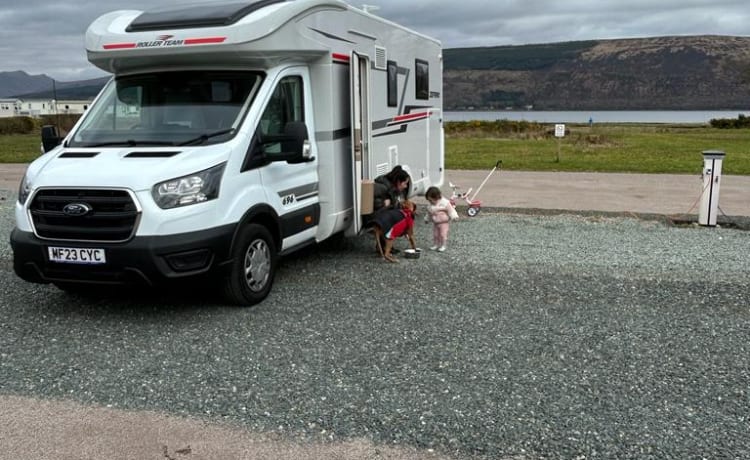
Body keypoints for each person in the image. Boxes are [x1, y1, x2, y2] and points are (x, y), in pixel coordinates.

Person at [369, 165, 412, 253]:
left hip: (380, 214)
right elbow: (372, 201)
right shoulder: (383, 187)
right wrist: (383, 203)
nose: (406, 186)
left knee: (396, 216)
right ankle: (384, 247)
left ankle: (385, 246)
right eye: (405, 183)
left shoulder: (392, 188)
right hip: (374, 216)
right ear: (398, 182)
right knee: (393, 218)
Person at [424, 186, 458, 252]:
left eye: (431, 200)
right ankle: (436, 244)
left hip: (444, 223)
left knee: (443, 234)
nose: (430, 202)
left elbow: (451, 210)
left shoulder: (444, 203)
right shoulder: (431, 206)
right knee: (435, 235)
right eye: (429, 201)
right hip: (436, 223)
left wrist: (454, 216)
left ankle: (443, 245)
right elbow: (428, 213)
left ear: (436, 197)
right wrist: (426, 219)